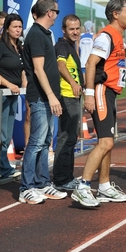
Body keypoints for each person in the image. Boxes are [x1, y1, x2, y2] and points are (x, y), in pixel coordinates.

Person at [71, 0, 126, 207]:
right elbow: (91, 64)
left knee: (108, 142)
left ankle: (104, 186)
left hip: (110, 92)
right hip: (101, 90)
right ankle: (83, 186)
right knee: (105, 142)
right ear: (115, 14)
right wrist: (90, 94)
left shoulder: (118, 37)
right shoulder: (105, 36)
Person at [19, 0, 67, 204]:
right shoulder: (37, 35)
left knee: (45, 141)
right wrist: (50, 96)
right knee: (37, 141)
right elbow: (38, 69)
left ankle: (42, 183)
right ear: (49, 13)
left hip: (47, 96)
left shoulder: (45, 33)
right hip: (40, 96)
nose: (57, 15)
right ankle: (26, 187)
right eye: (56, 12)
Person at [0, 13, 26, 179]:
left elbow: (22, 68)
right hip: (0, 94)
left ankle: (3, 166)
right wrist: (8, 83)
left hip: (13, 94)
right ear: (7, 28)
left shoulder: (20, 46)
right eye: (14, 27)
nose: (18, 30)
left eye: (20, 27)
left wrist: (23, 82)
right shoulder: (0, 46)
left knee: (7, 133)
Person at [53, 15, 84, 191]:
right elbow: (60, 65)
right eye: (71, 29)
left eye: (77, 28)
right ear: (64, 30)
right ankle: (61, 179)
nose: (75, 32)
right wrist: (73, 82)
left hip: (73, 96)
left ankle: (67, 176)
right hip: (66, 96)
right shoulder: (62, 46)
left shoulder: (71, 45)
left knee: (71, 138)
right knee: (66, 137)